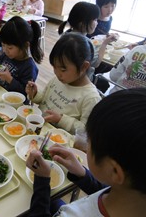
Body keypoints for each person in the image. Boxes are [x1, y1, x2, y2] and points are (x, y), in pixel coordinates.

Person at [27, 88, 146, 217]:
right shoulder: (130, 194)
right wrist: (81, 173)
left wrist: (42, 181)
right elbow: (105, 190)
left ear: (115, 171)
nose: (87, 145)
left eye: (89, 141)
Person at [25, 33, 101, 134]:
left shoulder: (91, 97)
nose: (57, 73)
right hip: (39, 130)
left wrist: (61, 119)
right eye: (54, 67)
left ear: (84, 67)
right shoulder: (58, 80)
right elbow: (44, 100)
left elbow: (85, 131)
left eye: (63, 69)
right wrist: (34, 94)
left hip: (58, 142)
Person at [58, 1, 118, 82]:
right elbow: (96, 63)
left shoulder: (65, 35)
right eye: (95, 20)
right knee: (105, 83)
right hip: (80, 81)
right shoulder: (85, 43)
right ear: (82, 23)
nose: (97, 23)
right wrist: (105, 43)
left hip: (64, 76)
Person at [0, 16, 43, 97]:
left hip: (14, 103)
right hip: (0, 94)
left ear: (25, 45)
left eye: (10, 47)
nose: (5, 50)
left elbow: (25, 93)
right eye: (3, 45)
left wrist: (10, 79)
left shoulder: (29, 67)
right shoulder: (6, 56)